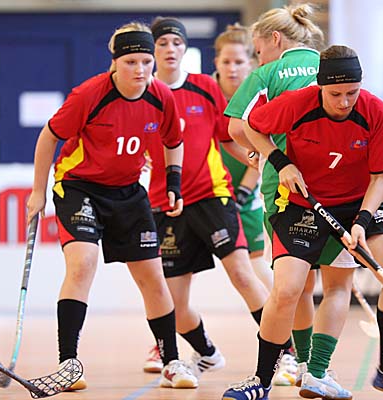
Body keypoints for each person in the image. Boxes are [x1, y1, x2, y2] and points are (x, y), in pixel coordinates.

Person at [222, 45, 383, 400]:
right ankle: (260, 380)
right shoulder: (297, 103)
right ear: (319, 86)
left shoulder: (375, 111)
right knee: (287, 290)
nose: (344, 101)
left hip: (358, 204)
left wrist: (362, 221)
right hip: (301, 203)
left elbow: (379, 178)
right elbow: (251, 126)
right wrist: (280, 161)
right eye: (335, 94)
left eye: (352, 92)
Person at [26, 22, 195, 390]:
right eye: (131, 62)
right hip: (79, 187)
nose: (140, 70)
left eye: (146, 62)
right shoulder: (89, 94)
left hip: (128, 192)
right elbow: (48, 136)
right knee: (82, 264)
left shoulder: (161, 96)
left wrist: (174, 182)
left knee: (152, 277)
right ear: (115, 62)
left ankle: (172, 362)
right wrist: (38, 191)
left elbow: (174, 141)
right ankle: (68, 363)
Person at [223, 3, 358, 389]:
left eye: (257, 50)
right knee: (337, 285)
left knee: (295, 284)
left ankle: (298, 364)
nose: (258, 57)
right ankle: (318, 370)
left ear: (275, 39)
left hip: (285, 190)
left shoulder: (268, 73)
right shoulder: (332, 68)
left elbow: (236, 127)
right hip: (340, 186)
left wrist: (264, 151)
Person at [141, 17, 272, 386]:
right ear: (153, 49)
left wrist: (262, 159)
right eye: (162, 43)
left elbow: (228, 138)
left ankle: (285, 353)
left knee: (243, 274)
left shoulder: (204, 88)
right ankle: (207, 352)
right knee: (174, 303)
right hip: (165, 204)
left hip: (212, 195)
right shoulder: (142, 93)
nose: (170, 49)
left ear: (185, 48)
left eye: (176, 43)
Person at [213, 24, 272, 290]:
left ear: (250, 63)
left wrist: (245, 190)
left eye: (238, 62)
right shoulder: (206, 93)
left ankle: (282, 311)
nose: (232, 69)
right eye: (226, 62)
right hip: (209, 187)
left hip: (248, 190)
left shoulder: (257, 96)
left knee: (258, 263)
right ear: (217, 62)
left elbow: (260, 148)